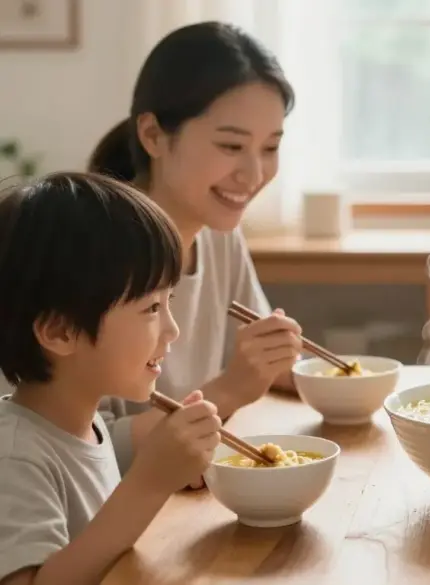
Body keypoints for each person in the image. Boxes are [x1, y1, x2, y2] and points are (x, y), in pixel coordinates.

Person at [87, 21, 303, 477]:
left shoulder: (219, 232)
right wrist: (229, 390)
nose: (253, 174)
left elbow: (273, 367)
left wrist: (282, 359)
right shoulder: (93, 253)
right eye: (230, 145)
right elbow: (88, 451)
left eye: (270, 147)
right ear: (153, 135)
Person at [0, 172, 222, 585]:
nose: (172, 329)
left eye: (168, 301)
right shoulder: (14, 456)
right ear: (61, 331)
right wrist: (150, 484)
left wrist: (171, 472)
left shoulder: (86, 424)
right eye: (151, 308)